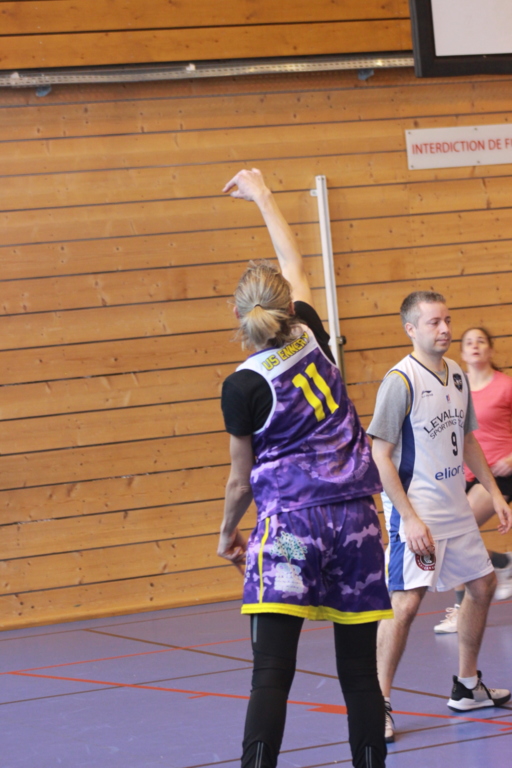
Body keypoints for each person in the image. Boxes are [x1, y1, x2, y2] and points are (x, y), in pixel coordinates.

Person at [217, 168, 393, 768]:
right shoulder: (314, 335)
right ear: (289, 308)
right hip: (356, 523)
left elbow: (240, 480)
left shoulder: (242, 385)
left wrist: (226, 533)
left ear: (239, 316)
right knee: (360, 674)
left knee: (272, 671)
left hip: (291, 529)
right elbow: (296, 264)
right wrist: (263, 194)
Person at [367, 291, 512, 744]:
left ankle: (467, 687)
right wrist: (408, 518)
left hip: (454, 506)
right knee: (405, 604)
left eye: (447, 319)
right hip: (417, 510)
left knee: (483, 585)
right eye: (434, 322)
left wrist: (493, 492)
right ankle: (377, 704)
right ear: (411, 329)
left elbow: (467, 441)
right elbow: (380, 456)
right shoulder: (400, 381)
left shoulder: (456, 375)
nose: (445, 329)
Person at [434, 326, 512, 634]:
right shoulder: (456, 388)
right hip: (463, 474)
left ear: (490, 349)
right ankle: (501, 563)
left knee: (456, 531)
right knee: (451, 538)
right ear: (462, 353)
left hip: (500, 475)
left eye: (481, 341)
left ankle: (461, 610)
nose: (475, 346)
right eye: (469, 342)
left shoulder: (506, 386)